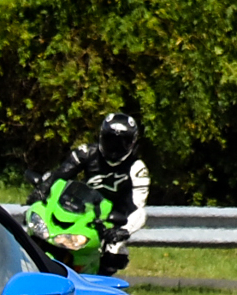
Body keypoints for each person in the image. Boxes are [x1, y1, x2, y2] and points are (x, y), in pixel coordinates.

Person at [25, 111, 151, 272]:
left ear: (132, 143)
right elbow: (60, 175)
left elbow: (138, 209)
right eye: (110, 140)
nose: (114, 147)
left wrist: (123, 230)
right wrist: (42, 189)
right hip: (80, 208)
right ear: (101, 136)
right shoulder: (86, 153)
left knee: (113, 254)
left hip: (110, 220)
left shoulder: (137, 170)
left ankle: (97, 285)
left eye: (121, 143)